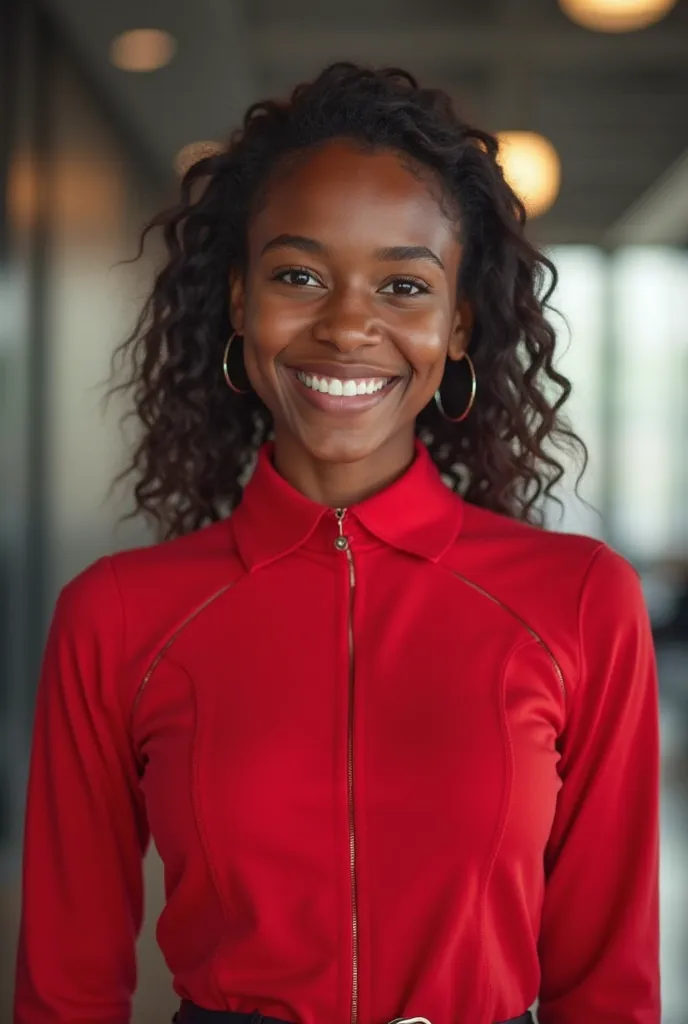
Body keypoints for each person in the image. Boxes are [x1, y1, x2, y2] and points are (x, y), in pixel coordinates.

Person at [14, 63, 660, 1024]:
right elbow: (63, 987)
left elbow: (609, 984)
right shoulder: (116, 615)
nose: (350, 323)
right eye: (299, 275)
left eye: (404, 284)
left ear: (457, 324)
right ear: (239, 301)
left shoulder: (578, 600)